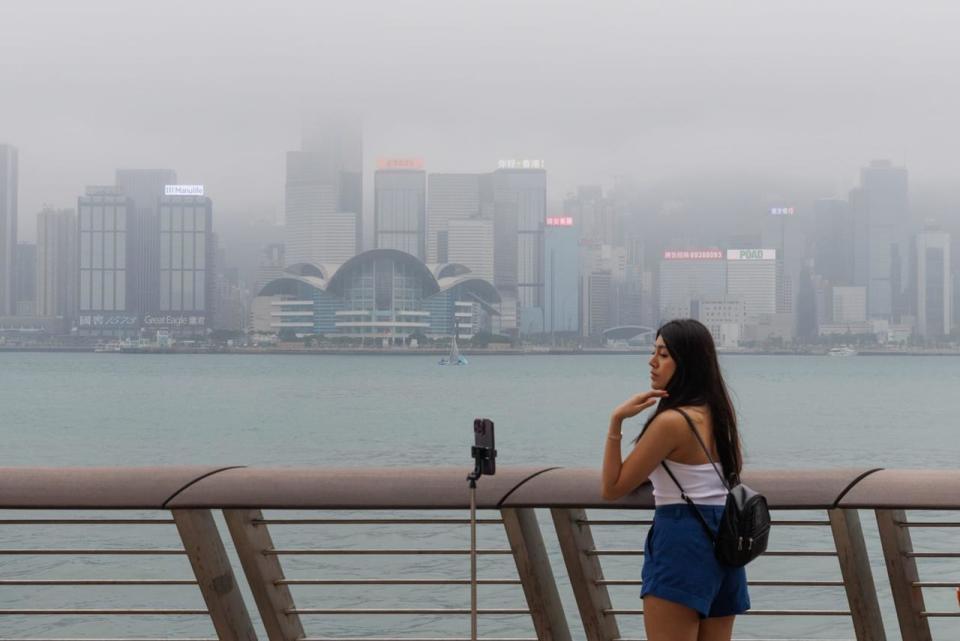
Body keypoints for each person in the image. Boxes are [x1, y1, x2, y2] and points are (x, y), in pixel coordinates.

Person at [601, 318, 749, 641]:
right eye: (654, 352)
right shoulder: (720, 414)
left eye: (663, 354)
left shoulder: (672, 422)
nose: (652, 362)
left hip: (682, 540)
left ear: (688, 361)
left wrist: (616, 421)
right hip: (726, 541)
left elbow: (612, 487)